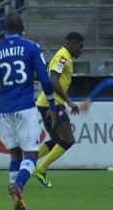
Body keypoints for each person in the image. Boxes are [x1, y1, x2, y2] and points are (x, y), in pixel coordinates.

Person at [0, 12, 57, 210]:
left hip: (4, 108)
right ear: (22, 28)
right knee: (31, 154)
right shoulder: (32, 47)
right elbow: (46, 80)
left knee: (14, 152)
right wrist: (53, 106)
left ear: (5, 30)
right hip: (25, 106)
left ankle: (17, 204)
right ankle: (19, 184)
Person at [32, 32, 85, 188]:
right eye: (80, 47)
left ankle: (27, 164)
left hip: (46, 103)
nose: (81, 50)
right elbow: (53, 79)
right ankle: (40, 169)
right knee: (68, 140)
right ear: (73, 44)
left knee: (56, 140)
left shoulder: (65, 56)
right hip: (52, 104)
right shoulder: (63, 56)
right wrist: (68, 100)